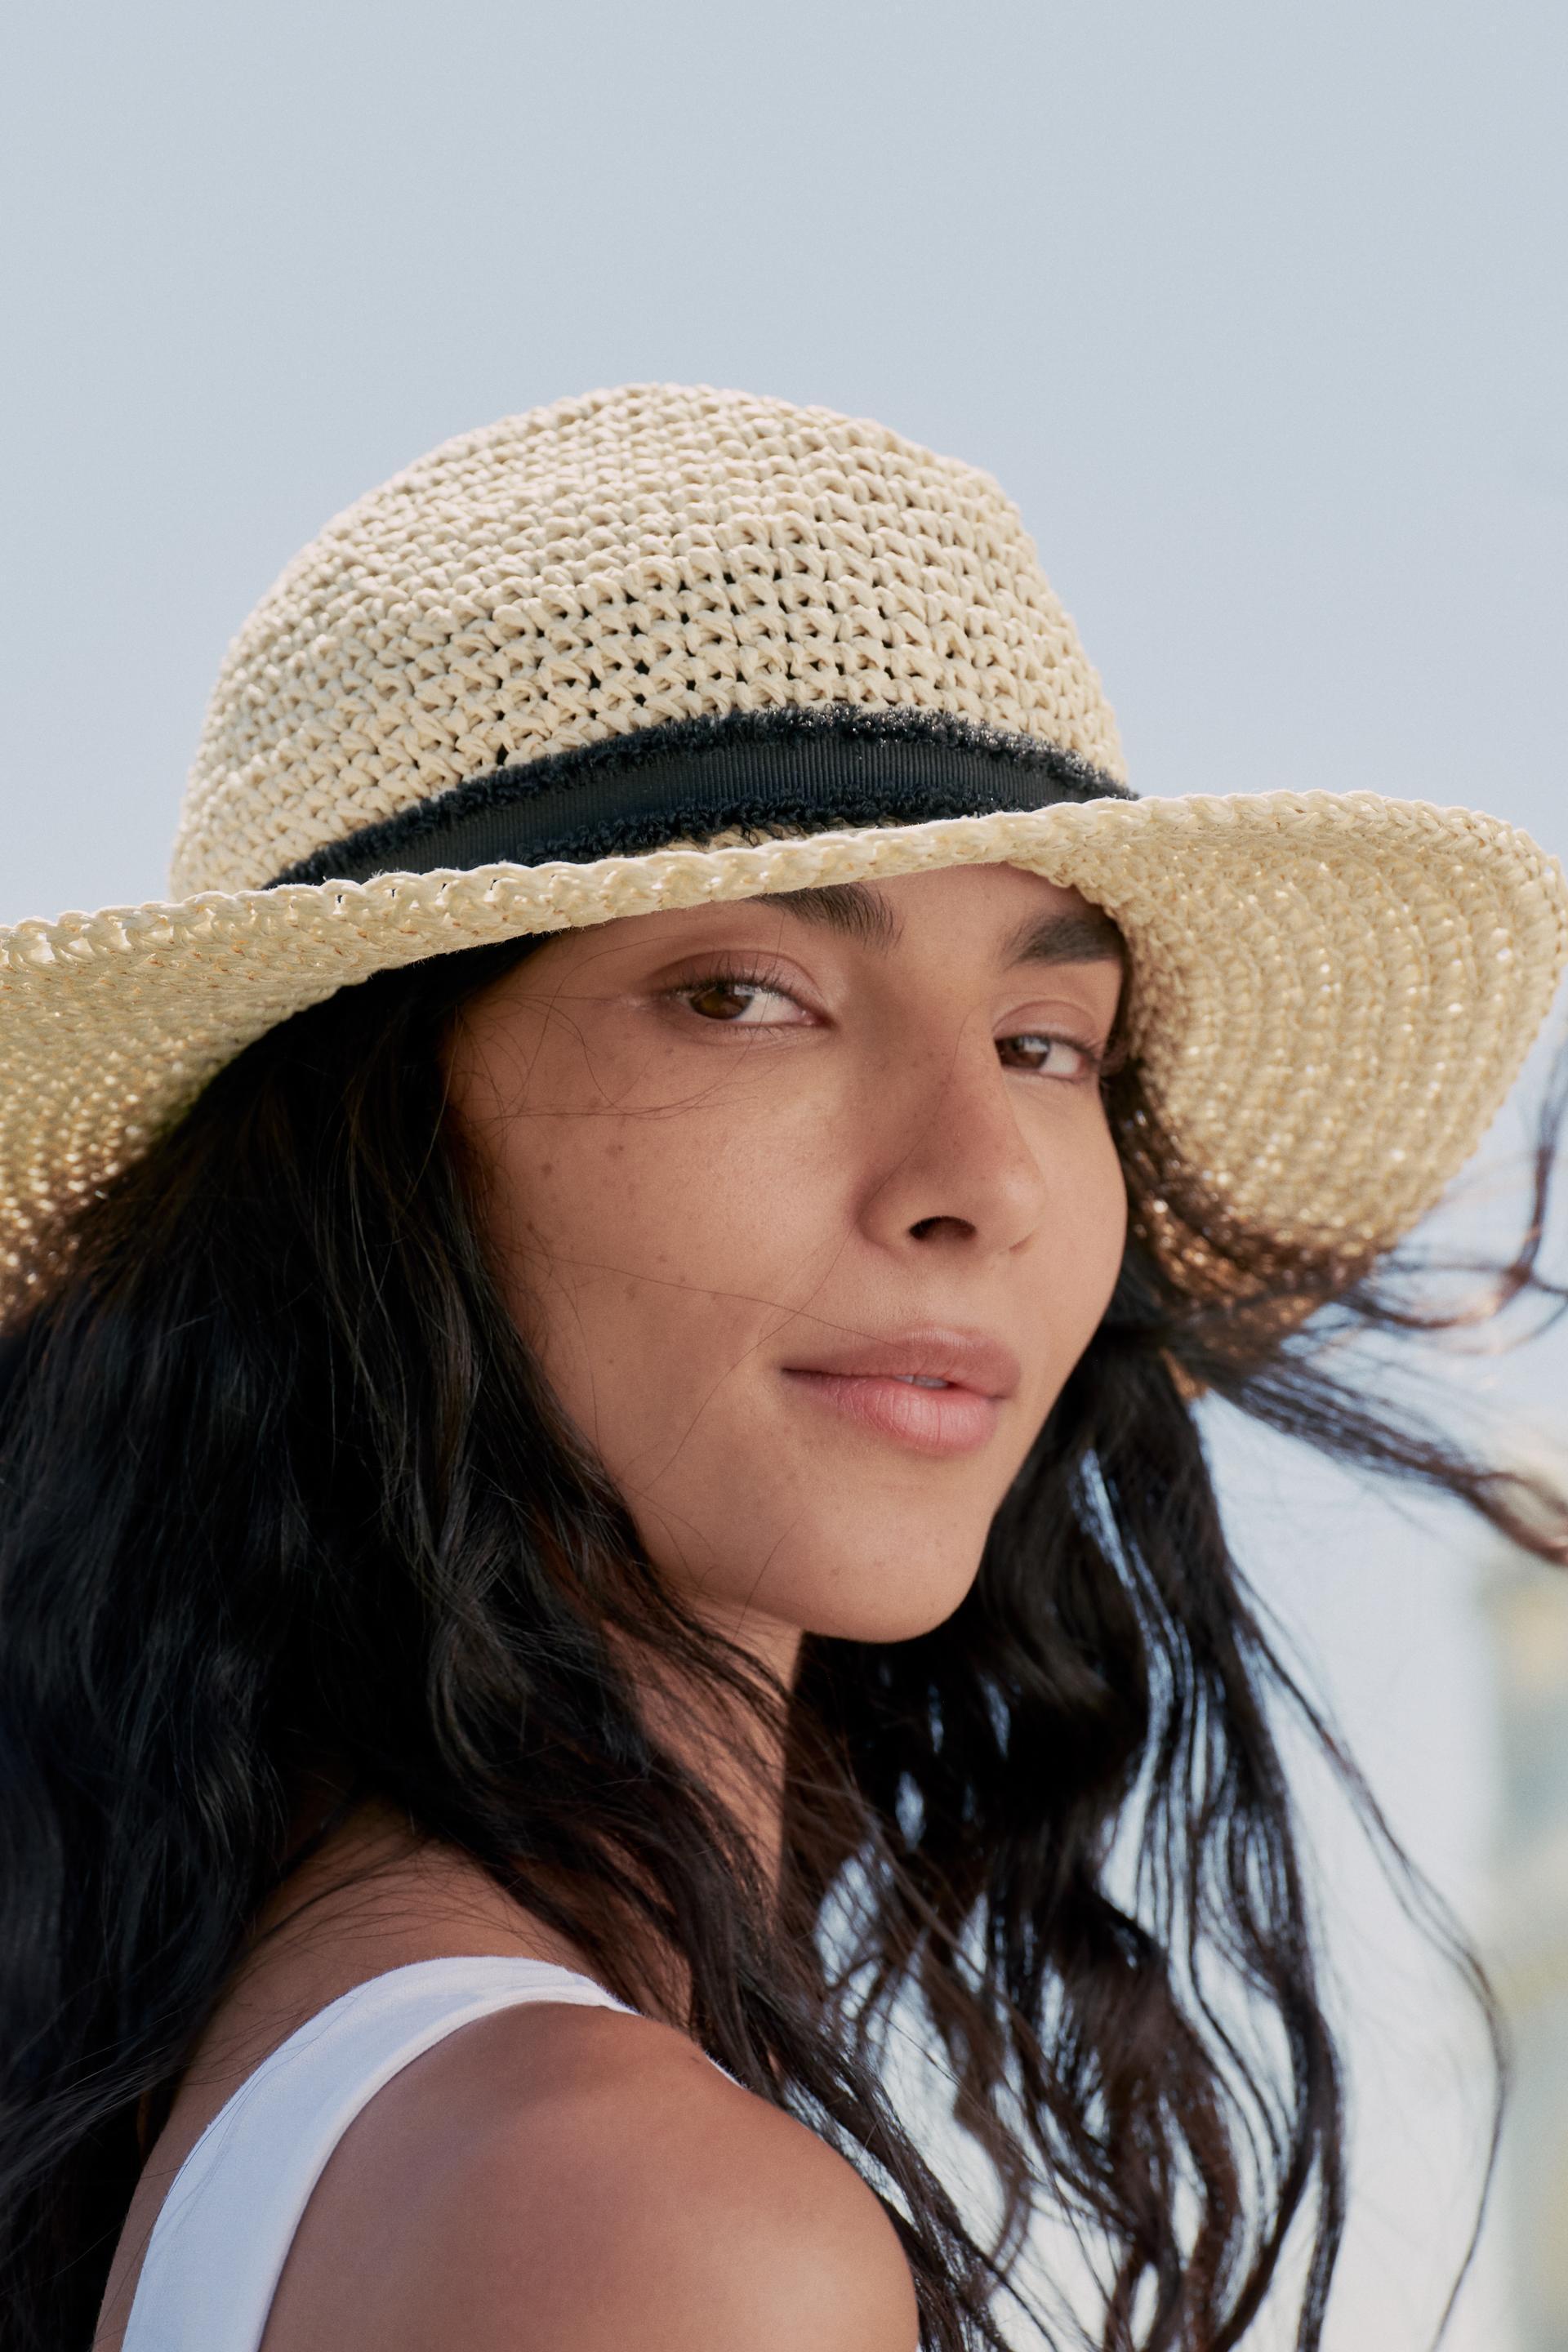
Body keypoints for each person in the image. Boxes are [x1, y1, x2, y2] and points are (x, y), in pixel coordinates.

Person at [0, 384, 1562, 2352]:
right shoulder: (642, 2222)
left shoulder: (284, 2103)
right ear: (371, 1153)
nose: (977, 1179)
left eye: (1046, 1040)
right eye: (747, 994)